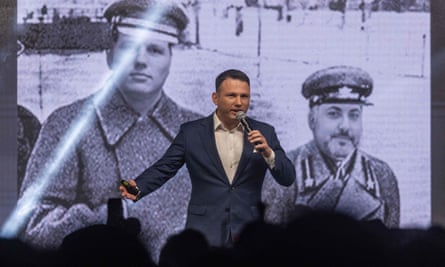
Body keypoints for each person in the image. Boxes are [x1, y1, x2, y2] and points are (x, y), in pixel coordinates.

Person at [18, 0, 202, 262]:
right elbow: (31, 227)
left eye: (155, 50)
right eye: (129, 47)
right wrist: (110, 216)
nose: (140, 60)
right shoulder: (67, 127)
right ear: (109, 54)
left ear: (171, 58)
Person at [120, 69, 296, 247]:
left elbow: (287, 177)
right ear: (215, 98)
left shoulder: (264, 132)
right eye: (231, 96)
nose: (238, 103)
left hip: (248, 231)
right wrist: (136, 189)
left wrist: (268, 153)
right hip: (204, 231)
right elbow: (165, 167)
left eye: (244, 97)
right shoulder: (192, 132)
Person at [262, 65, 400, 228]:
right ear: (312, 120)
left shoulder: (381, 175)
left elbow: (392, 248)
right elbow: (269, 249)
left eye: (354, 115)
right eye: (334, 114)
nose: (345, 126)